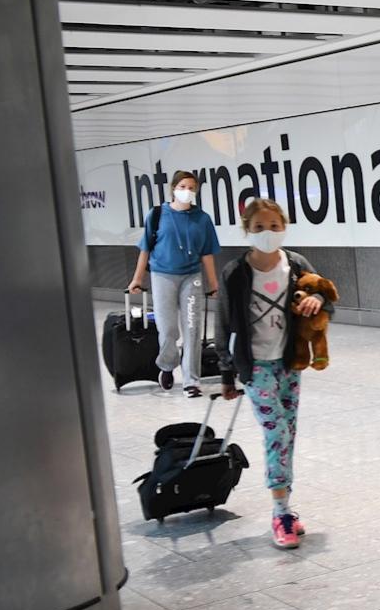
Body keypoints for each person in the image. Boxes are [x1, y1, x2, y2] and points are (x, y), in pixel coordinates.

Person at [216, 199, 332, 549]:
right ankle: (280, 512)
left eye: (275, 226)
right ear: (247, 230)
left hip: (289, 361)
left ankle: (285, 506)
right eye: (259, 227)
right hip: (255, 367)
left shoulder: (296, 265)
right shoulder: (235, 272)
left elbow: (325, 297)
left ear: (285, 226)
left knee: (288, 433)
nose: (268, 233)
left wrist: (319, 303)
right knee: (276, 432)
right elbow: (223, 321)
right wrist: (226, 373)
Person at [127, 170, 221, 398]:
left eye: (191, 188)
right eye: (183, 187)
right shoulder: (158, 214)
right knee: (168, 329)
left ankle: (191, 381)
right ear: (173, 188)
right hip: (163, 276)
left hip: (192, 277)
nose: (187, 191)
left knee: (192, 328)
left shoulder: (203, 219)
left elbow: (207, 254)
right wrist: (137, 279)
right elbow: (145, 249)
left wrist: (213, 284)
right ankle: (167, 365)